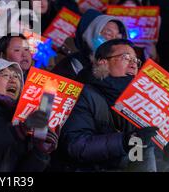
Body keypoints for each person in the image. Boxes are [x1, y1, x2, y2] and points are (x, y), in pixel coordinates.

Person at [58, 39, 159, 172]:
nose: (133, 65)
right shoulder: (84, 93)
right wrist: (124, 141)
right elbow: (76, 146)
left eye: (136, 61)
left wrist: (144, 144)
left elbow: (137, 159)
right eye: (126, 58)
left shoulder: (136, 104)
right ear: (103, 62)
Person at [52, 9, 128, 81]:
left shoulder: (122, 71)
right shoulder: (72, 65)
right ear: (91, 34)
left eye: (118, 38)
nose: (113, 41)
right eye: (108, 34)